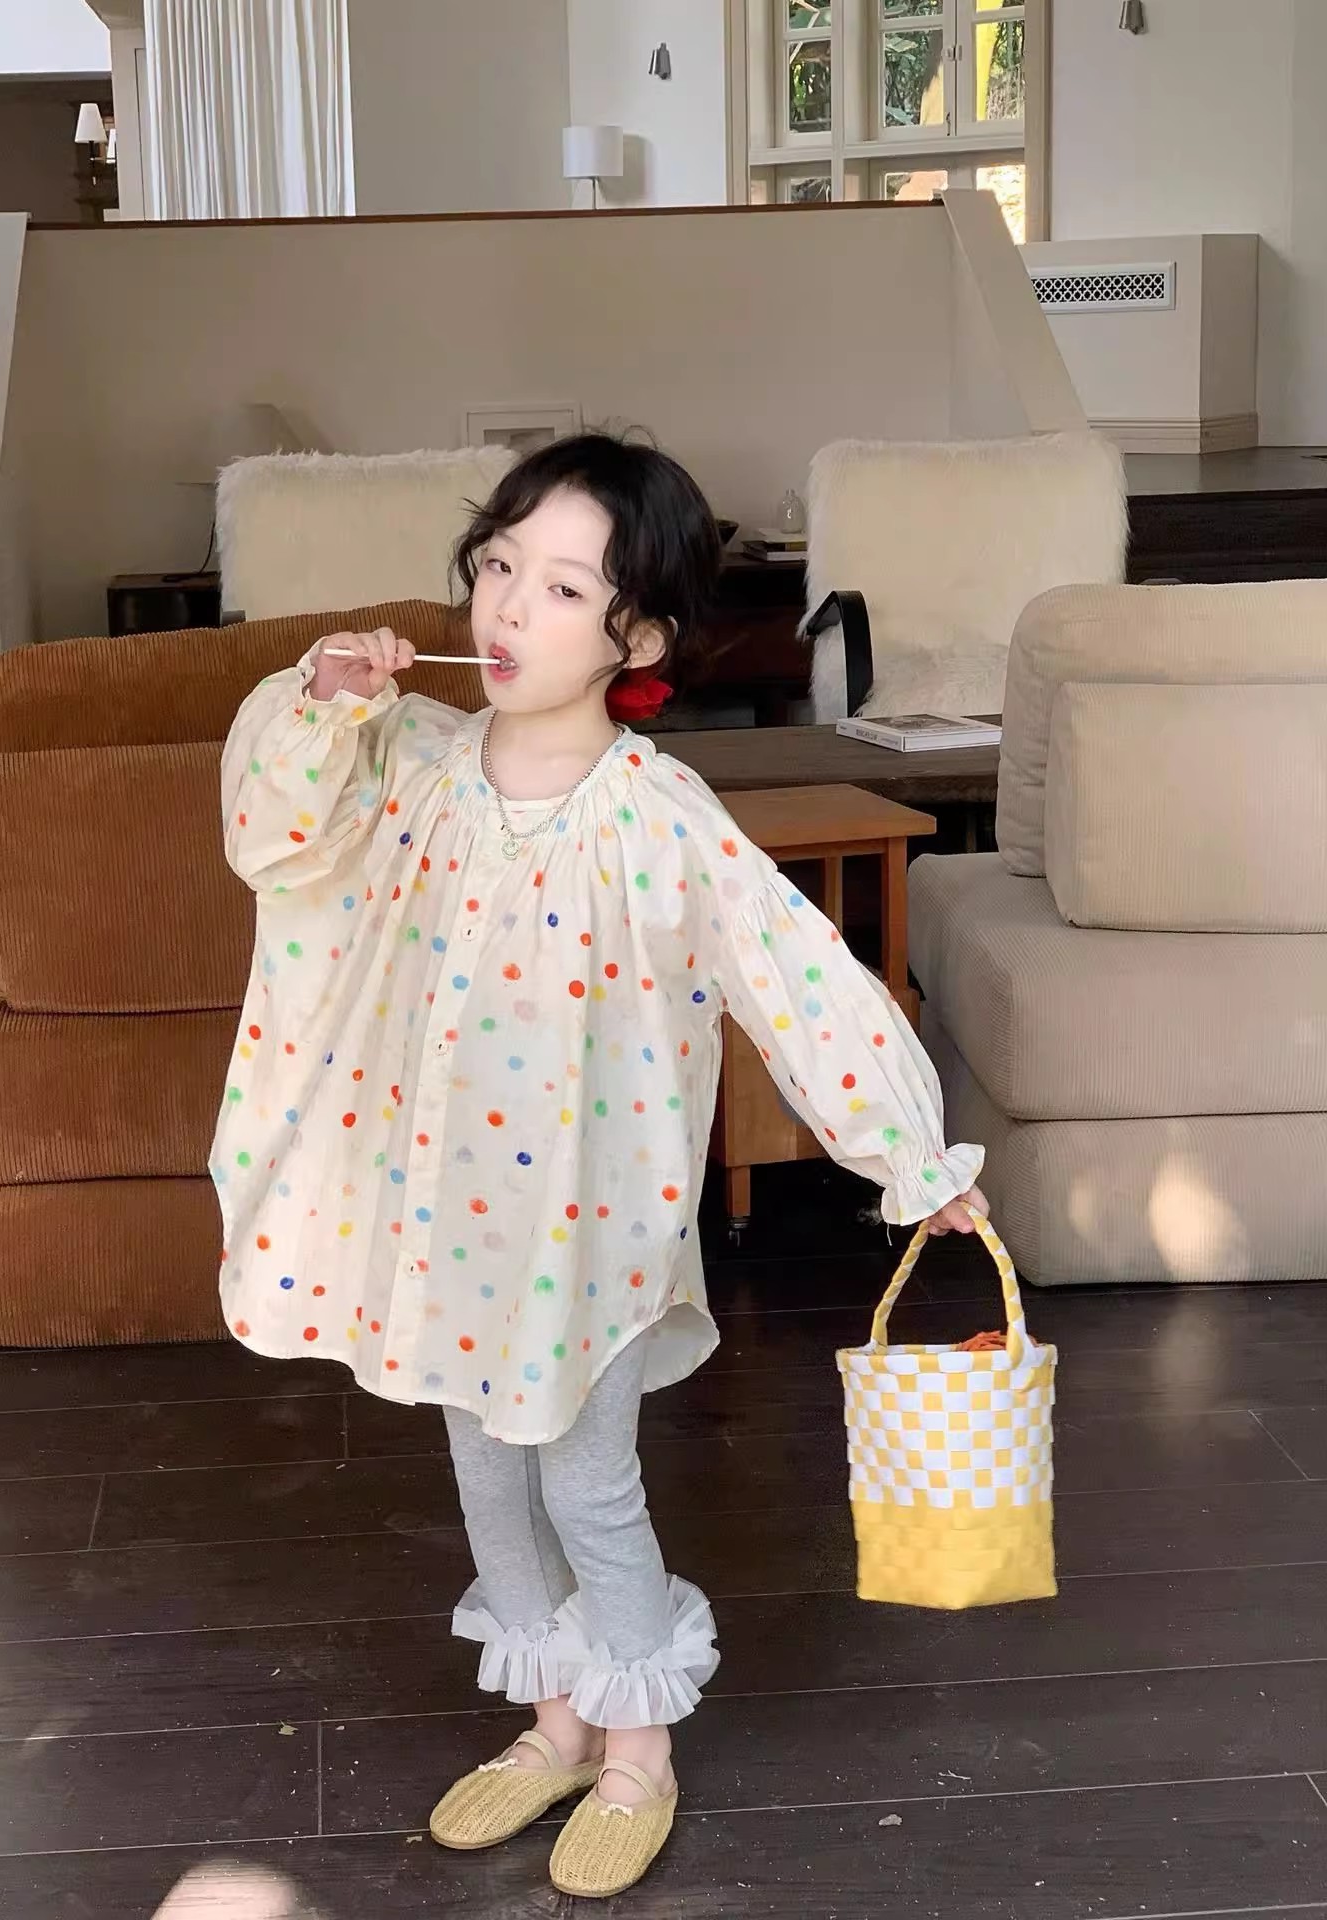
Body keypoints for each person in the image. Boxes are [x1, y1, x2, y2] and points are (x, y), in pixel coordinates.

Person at [212, 433, 986, 1900]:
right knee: (487, 1487)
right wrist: (320, 698)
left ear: (637, 639)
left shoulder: (655, 813)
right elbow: (275, 837)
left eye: (563, 588)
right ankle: (557, 1721)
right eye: (499, 565)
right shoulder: (411, 759)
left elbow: (795, 975)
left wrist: (907, 1148)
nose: (510, 607)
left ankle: (640, 1746)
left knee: (585, 1486)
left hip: (594, 1231)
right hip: (445, 1219)